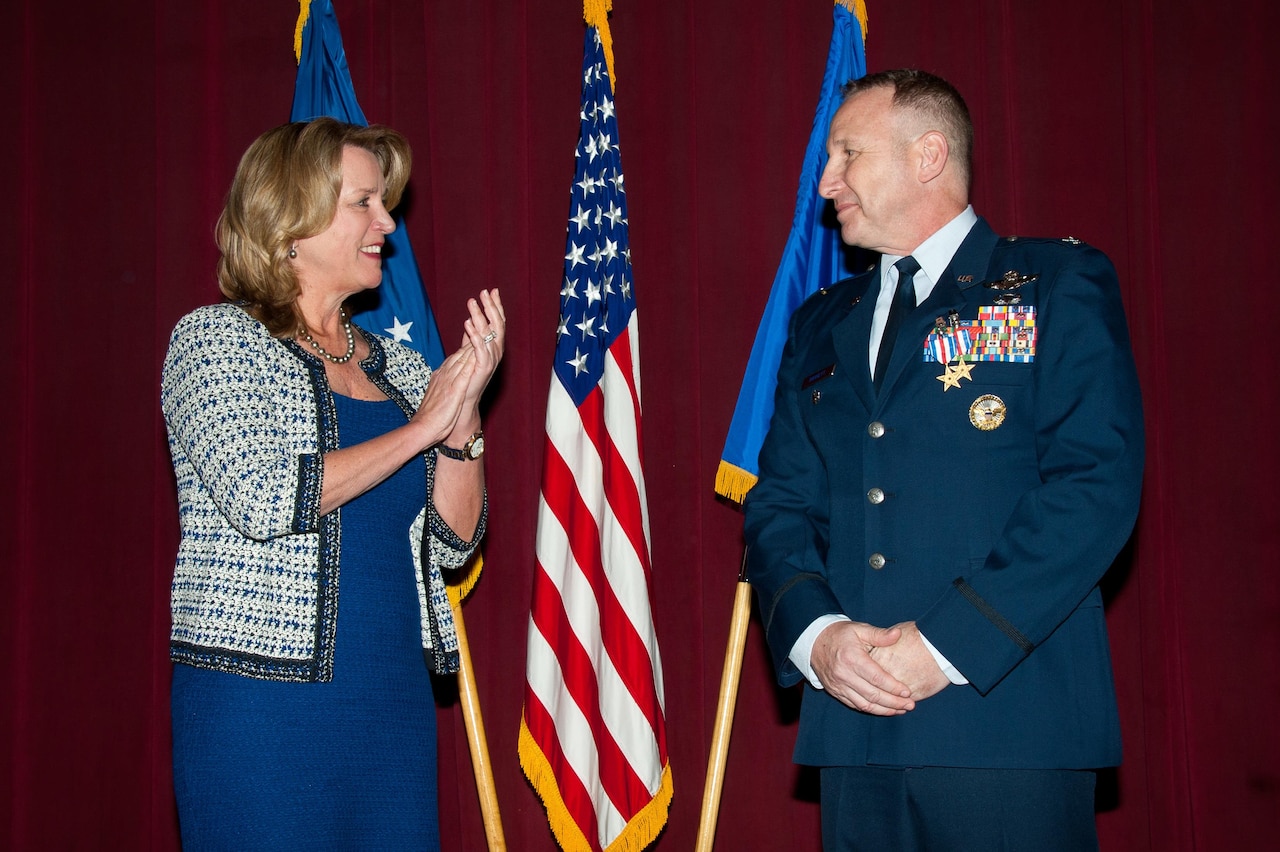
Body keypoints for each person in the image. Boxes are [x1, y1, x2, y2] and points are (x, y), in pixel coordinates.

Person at [743, 69, 1144, 850]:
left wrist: (949, 643)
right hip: (854, 737)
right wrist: (817, 636)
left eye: (847, 153)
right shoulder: (822, 322)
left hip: (1008, 727)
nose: (826, 181)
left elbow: (1094, 485)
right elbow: (780, 506)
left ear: (928, 155)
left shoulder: (1054, 285)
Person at [160, 117, 505, 849]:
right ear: (291, 223)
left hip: (391, 708)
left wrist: (463, 422)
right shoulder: (214, 341)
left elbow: (453, 542)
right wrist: (419, 431)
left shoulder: (403, 369)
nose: (388, 222)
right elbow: (262, 497)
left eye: (386, 203)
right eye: (364, 203)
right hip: (260, 714)